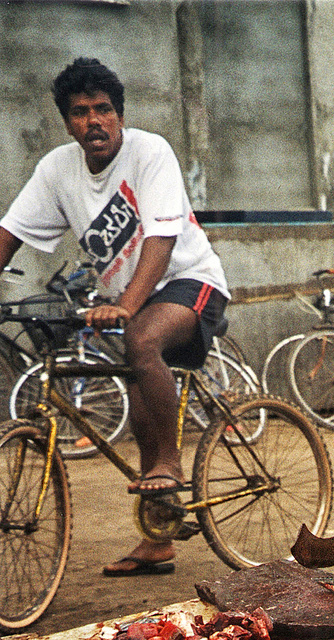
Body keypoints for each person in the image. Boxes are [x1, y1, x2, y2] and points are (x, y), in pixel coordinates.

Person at [0, 58, 229, 577]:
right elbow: (10, 232)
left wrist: (127, 305)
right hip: (131, 299)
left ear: (120, 115)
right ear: (67, 123)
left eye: (103, 109)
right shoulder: (58, 169)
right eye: (80, 113)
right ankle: (159, 536)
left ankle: (170, 462)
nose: (93, 121)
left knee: (142, 340)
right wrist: (125, 306)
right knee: (134, 373)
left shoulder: (150, 152)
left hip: (191, 281)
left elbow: (162, 240)